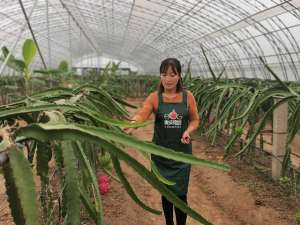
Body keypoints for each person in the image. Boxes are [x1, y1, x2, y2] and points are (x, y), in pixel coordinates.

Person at [124, 58, 200, 225]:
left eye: (172, 74)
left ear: (179, 76)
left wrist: (188, 131)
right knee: (165, 193)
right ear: (160, 76)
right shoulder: (155, 98)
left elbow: (195, 120)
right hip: (161, 155)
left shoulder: (188, 97)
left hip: (182, 156)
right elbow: (142, 114)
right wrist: (131, 125)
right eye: (164, 74)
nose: (168, 78)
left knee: (180, 195)